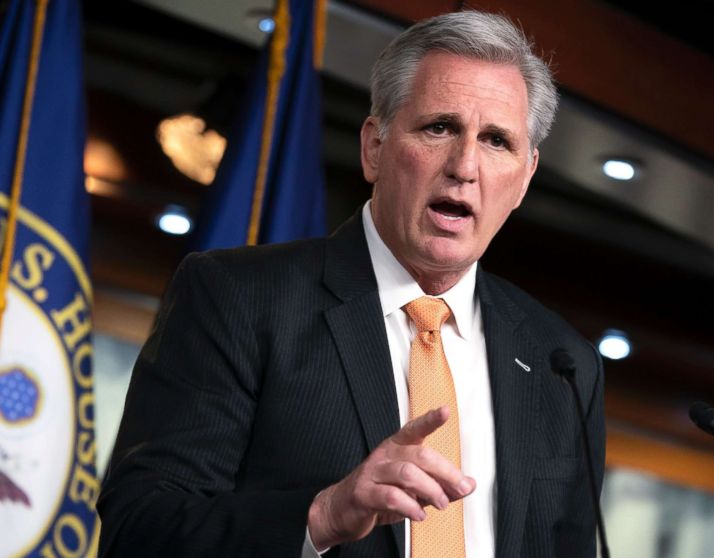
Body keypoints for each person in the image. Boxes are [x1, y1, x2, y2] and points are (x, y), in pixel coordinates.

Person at [97, 10, 605, 558]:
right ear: (374, 147)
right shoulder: (238, 297)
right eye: (439, 127)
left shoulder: (563, 364)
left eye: (496, 141)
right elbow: (139, 530)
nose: (465, 166)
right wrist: (325, 514)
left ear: (525, 177)